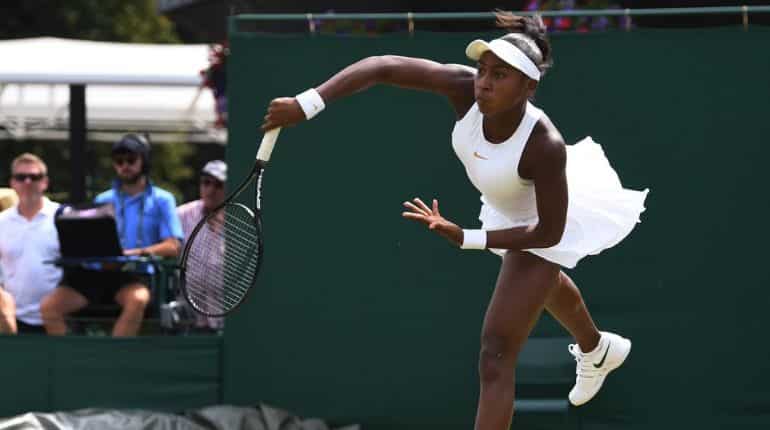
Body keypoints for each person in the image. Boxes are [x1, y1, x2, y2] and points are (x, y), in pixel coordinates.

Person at [260, 12, 648, 429]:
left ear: (528, 87)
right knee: (540, 285)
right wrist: (308, 102)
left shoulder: (544, 145)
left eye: (501, 75)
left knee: (495, 354)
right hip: (506, 203)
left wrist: (468, 237)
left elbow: (549, 233)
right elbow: (383, 66)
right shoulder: (464, 89)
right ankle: (596, 347)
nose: (485, 81)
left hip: (541, 220)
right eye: (483, 69)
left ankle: (594, 347)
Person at [41, 133, 184, 337]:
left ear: (144, 161)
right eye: (119, 161)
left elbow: (174, 246)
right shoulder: (103, 198)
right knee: (49, 307)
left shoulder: (163, 199)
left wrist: (133, 253)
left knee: (137, 299)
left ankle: (111, 362)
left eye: (131, 160)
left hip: (137, 275)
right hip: (98, 274)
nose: (124, 165)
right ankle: (73, 363)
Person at [0, 154, 62, 335]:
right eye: (21, 177)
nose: (28, 182)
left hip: (57, 318)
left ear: (45, 182)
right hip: (11, 321)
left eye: (34, 177)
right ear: (13, 183)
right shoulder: (2, 221)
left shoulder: (63, 216)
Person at [176, 160, 227, 331]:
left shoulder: (239, 219)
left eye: (218, 184)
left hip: (226, 315)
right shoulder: (181, 214)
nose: (211, 190)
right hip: (187, 317)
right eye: (206, 183)